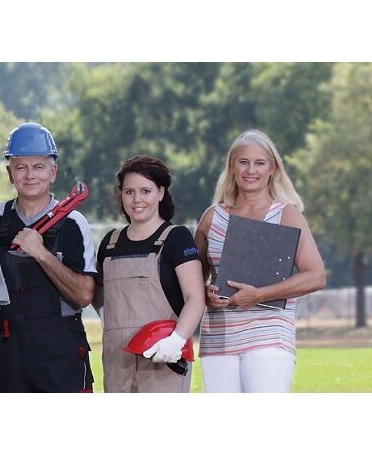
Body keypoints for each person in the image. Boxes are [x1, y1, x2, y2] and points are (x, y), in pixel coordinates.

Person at [193, 129, 326, 393]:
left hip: (269, 336)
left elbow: (316, 276)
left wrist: (260, 295)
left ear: (272, 168)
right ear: (232, 165)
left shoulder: (286, 215)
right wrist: (205, 294)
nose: (250, 170)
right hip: (219, 337)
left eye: (259, 163)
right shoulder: (212, 217)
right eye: (243, 162)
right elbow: (194, 279)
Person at [0, 122, 97, 393]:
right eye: (21, 167)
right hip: (7, 354)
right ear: (10, 173)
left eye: (38, 166)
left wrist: (41, 253)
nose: (30, 175)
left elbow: (84, 295)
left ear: (53, 172)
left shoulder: (73, 223)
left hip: (61, 351)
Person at [95, 156, 205, 392]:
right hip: (117, 360)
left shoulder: (176, 238)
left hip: (163, 357)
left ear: (161, 192)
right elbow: (99, 293)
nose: (137, 200)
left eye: (145, 191)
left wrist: (176, 341)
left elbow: (195, 298)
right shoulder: (110, 243)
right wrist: (110, 323)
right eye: (129, 192)